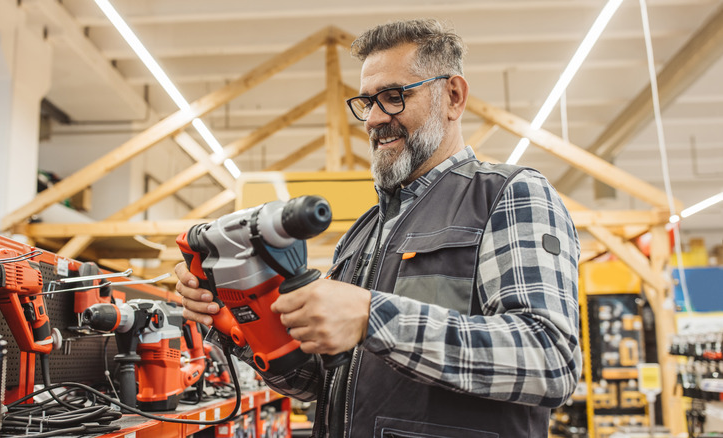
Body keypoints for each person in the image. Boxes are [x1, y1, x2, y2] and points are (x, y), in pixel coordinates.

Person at [176, 18, 581, 438]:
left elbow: (550, 360)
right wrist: (240, 319)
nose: (372, 120)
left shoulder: (507, 195)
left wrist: (373, 316)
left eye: (392, 97)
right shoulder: (363, 233)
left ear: (453, 96)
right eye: (367, 103)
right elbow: (316, 383)